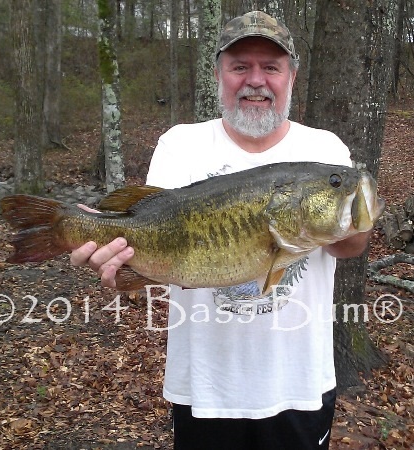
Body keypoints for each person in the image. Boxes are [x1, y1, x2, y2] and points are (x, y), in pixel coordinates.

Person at [71, 11, 372, 450]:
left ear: (291, 76)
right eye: (240, 67)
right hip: (206, 389)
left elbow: (352, 245)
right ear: (218, 74)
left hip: (299, 384)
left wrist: (338, 219)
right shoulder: (181, 144)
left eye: (271, 67)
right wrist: (111, 256)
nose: (256, 80)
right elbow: (148, 240)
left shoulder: (324, 149)